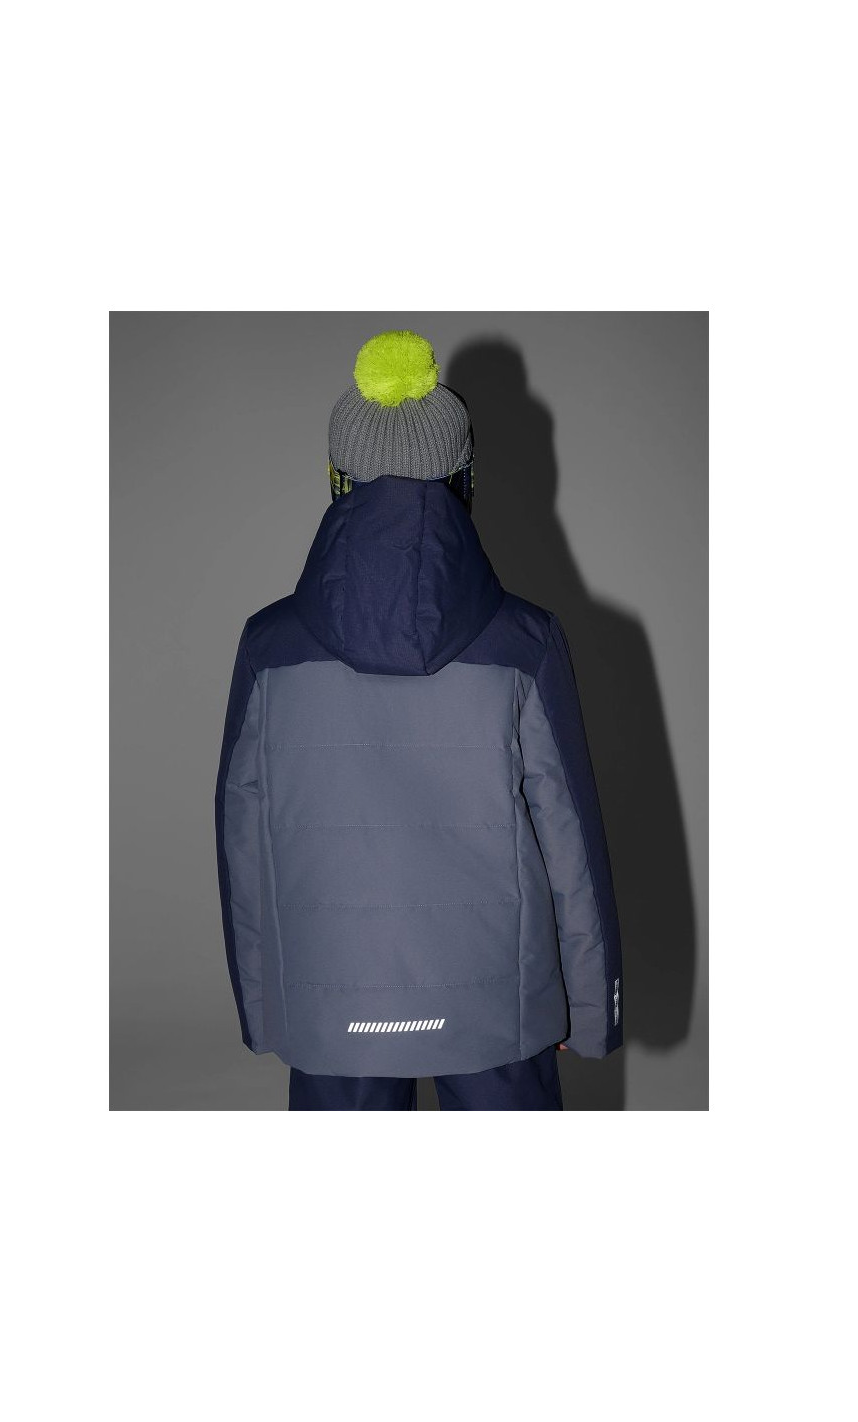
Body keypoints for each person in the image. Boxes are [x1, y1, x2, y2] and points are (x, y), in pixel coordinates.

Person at [214, 330, 622, 1110]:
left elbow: (244, 840)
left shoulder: (269, 647)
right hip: (502, 1004)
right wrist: (589, 1009)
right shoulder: (525, 641)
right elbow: (571, 842)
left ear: (337, 480)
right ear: (465, 479)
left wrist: (266, 1008)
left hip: (332, 1002)